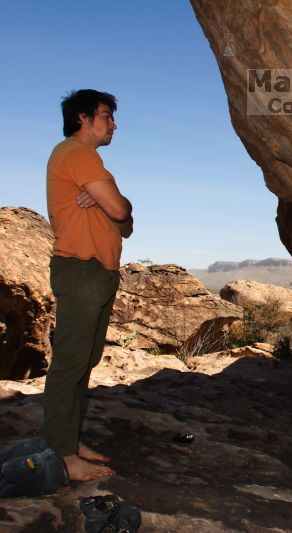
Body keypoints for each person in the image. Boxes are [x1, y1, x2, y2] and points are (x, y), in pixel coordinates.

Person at [43, 89, 134, 482]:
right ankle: (60, 454)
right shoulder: (76, 153)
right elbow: (120, 210)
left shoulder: (91, 162)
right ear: (83, 117)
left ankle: (70, 439)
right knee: (70, 364)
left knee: (85, 362)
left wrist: (109, 201)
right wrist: (112, 202)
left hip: (98, 271)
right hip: (80, 269)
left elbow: (127, 223)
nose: (113, 124)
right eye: (106, 116)